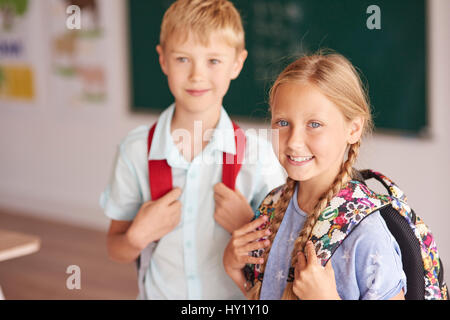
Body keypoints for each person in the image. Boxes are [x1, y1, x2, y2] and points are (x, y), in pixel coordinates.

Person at [100, 0, 285, 300]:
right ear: (163, 60)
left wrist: (244, 225)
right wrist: (137, 236)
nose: (197, 75)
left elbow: (281, 256)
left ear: (237, 63)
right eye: (183, 59)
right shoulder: (135, 152)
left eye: (213, 60)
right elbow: (115, 247)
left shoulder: (259, 156)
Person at [223, 52, 408, 300]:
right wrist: (233, 268)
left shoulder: (367, 232)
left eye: (314, 124)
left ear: (353, 129)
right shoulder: (272, 207)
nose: (294, 142)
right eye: (282, 123)